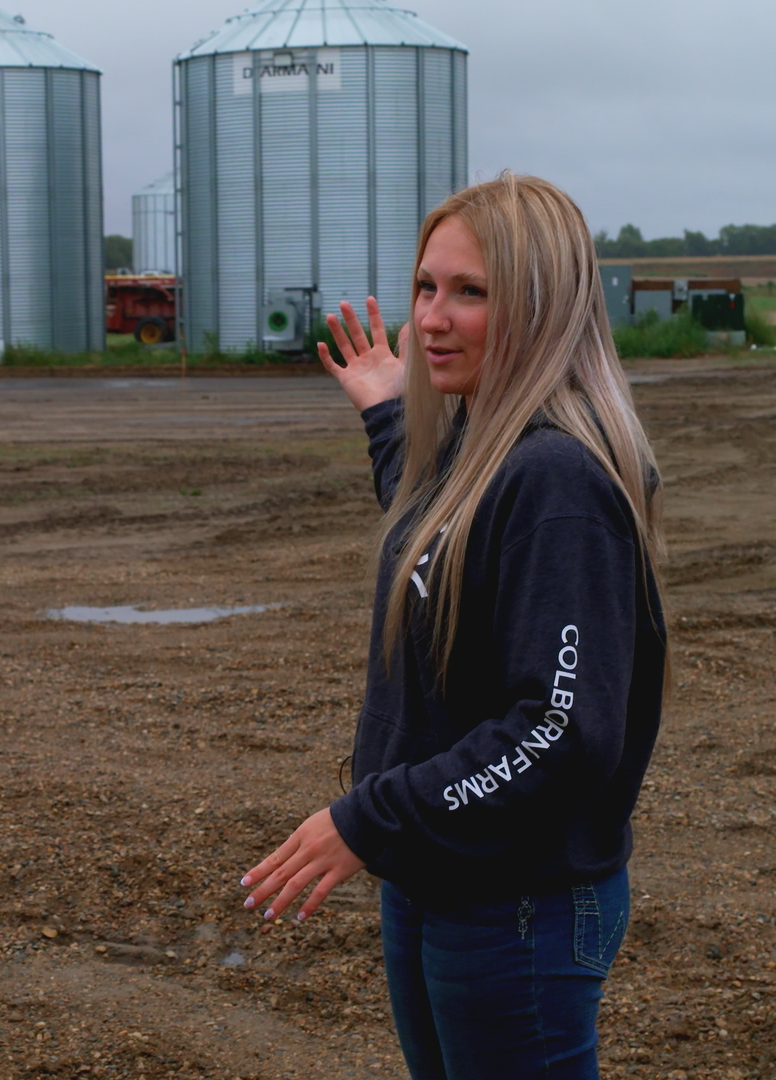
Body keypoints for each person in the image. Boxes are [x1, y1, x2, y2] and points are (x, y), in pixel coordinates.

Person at [239, 173, 668, 1080]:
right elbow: (442, 541)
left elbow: (560, 732)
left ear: (544, 306)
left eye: (471, 293)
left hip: (519, 904)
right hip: (438, 873)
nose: (432, 318)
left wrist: (369, 817)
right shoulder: (482, 445)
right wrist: (394, 421)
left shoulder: (559, 479)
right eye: (427, 287)